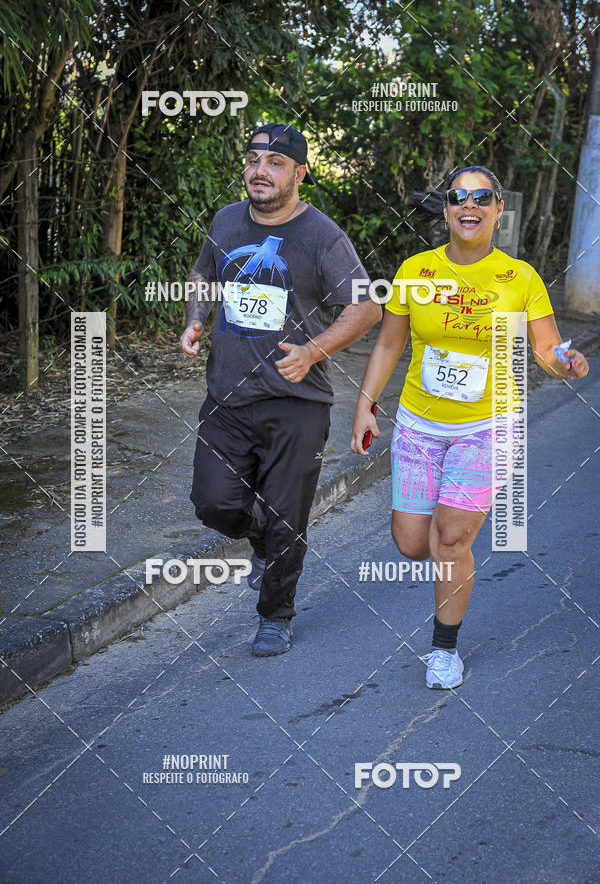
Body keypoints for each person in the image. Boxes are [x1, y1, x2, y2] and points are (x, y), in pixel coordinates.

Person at [350, 165, 589, 689]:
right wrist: (366, 405)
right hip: (419, 424)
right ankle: (446, 552)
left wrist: (566, 362)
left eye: (483, 198)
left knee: (452, 537)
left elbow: (547, 349)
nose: (470, 205)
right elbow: (389, 343)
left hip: (489, 426)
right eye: (459, 196)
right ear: (446, 209)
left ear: (499, 210)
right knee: (413, 543)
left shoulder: (519, 278)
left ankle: (444, 649)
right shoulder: (416, 270)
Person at [180, 123, 381, 657]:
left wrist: (312, 351)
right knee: (213, 503)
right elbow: (201, 274)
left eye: (274, 163)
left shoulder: (322, 235)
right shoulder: (226, 220)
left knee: (288, 517)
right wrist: (195, 320)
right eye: (253, 160)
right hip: (227, 398)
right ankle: (261, 539)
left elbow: (366, 307)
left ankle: (276, 615)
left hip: (297, 403)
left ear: (300, 173)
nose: (260, 171)